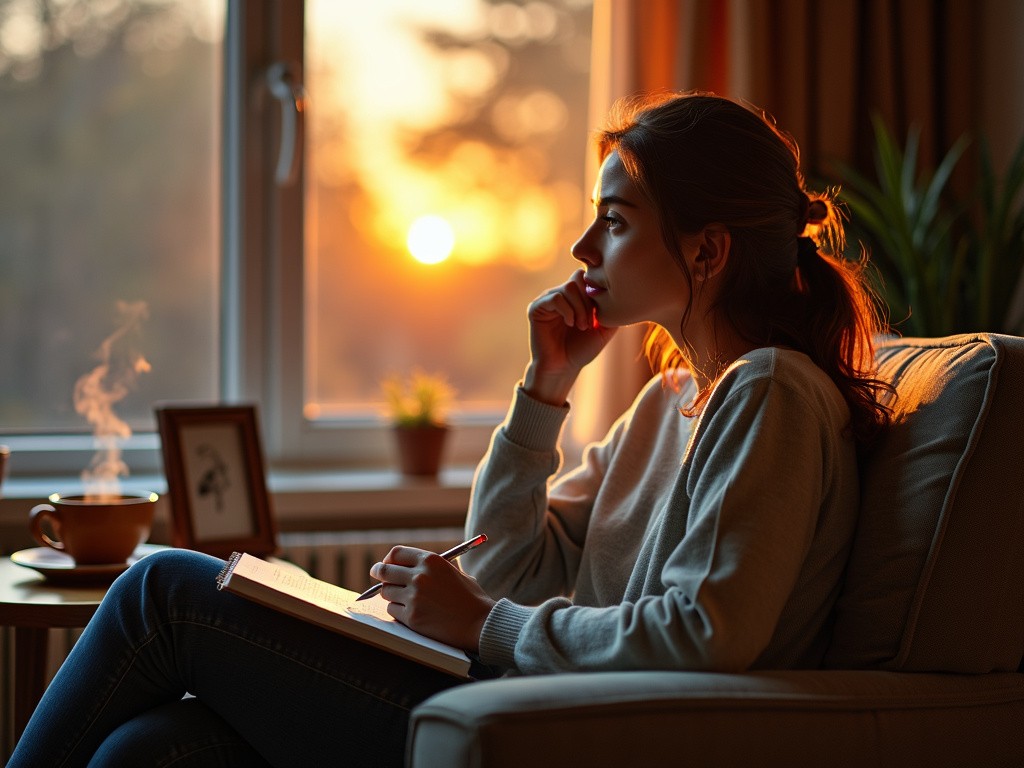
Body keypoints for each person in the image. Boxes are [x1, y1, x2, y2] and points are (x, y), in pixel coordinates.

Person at [9, 91, 891, 767]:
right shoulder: (669, 401)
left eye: (615, 221)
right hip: (514, 688)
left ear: (707, 251)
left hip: (571, 728)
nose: (584, 248)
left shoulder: (770, 393)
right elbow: (512, 563)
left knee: (164, 588)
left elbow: (708, 634)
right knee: (153, 748)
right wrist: (546, 388)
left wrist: (485, 625)